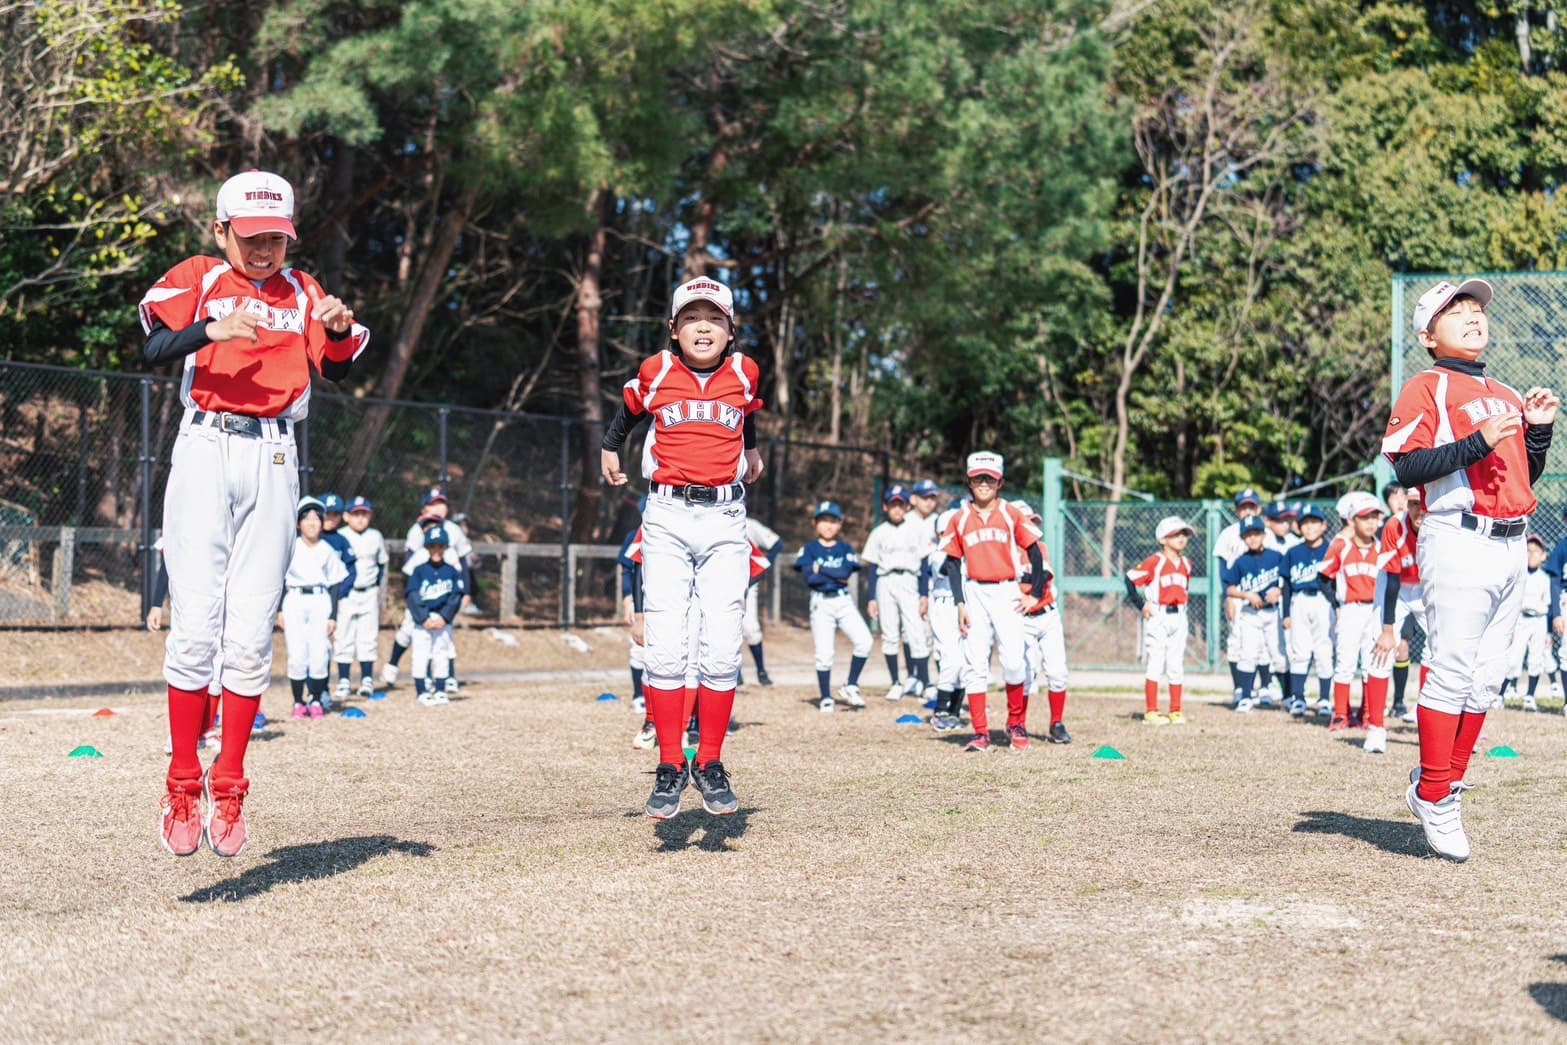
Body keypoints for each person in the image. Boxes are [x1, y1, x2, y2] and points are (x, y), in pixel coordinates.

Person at [139, 168, 367, 858]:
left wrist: (337, 326)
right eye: (252, 237)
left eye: (276, 238)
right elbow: (149, 347)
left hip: (273, 455)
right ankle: (183, 777)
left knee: (248, 632)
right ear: (221, 230)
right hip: (207, 444)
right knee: (195, 625)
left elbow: (340, 368)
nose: (265, 250)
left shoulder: (303, 291)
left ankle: (230, 779)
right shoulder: (201, 275)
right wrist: (210, 328)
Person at [1382, 277, 1557, 861]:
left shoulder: (1504, 389)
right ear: (1430, 335)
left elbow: (1524, 476)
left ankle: (1443, 785)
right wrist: (1478, 440)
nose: (1473, 317)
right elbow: (1407, 468)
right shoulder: (1426, 385)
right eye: (1456, 312)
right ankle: (1436, 793)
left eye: (1476, 309)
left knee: (1488, 679)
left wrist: (1540, 433)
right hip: (1458, 536)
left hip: (1511, 542)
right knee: (1452, 670)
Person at [600, 275, 763, 820]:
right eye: (692, 317)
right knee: (666, 645)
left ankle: (710, 762)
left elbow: (748, 413)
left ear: (731, 331)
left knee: (721, 645)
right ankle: (670, 766)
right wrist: (609, 448)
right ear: (673, 329)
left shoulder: (745, 371)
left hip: (726, 517)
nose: (703, 327)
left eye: (715, 318)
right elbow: (629, 407)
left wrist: (754, 451)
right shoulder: (656, 371)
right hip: (667, 513)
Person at [940, 452, 1045, 752]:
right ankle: (981, 733)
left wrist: (1034, 593)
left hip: (1006, 591)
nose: (983, 483)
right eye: (977, 478)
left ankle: (1015, 724)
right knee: (974, 664)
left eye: (989, 478)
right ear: (969, 482)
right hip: (974, 592)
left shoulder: (1011, 514)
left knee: (1014, 663)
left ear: (999, 482)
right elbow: (951, 563)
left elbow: (1035, 552)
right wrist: (960, 603)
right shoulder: (959, 518)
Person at [1317, 492, 1392, 750]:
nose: (1371, 523)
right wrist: (1335, 604)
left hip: (1375, 610)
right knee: (1346, 661)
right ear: (1352, 520)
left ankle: (1369, 714)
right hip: (1350, 608)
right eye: (1364, 518)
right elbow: (1323, 577)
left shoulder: (1382, 547)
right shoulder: (1341, 546)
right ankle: (1340, 714)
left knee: (1373, 663)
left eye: (1374, 517)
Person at [384, 488, 473, 691]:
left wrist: (466, 591)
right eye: (433, 504)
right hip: (420, 596)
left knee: (445, 636)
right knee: (408, 632)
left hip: (442, 597)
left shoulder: (452, 530)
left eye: (442, 503)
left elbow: (463, 563)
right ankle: (393, 665)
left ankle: (447, 676)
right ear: (424, 508)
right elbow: (410, 569)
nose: (439, 508)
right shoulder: (416, 531)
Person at [794, 501, 873, 713]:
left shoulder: (845, 548)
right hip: (821, 602)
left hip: (843, 600)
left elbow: (845, 574)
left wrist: (823, 569)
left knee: (864, 641)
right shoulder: (809, 549)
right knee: (824, 653)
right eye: (823, 521)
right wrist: (831, 574)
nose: (828, 526)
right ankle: (826, 697)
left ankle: (851, 685)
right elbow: (811, 578)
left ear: (840, 524)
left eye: (833, 521)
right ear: (814, 523)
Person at [148, 537, 221, 756]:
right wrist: (156, 604)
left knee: (218, 665)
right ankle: (182, 733)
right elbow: (168, 566)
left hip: (221, 597)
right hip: (190, 601)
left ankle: (207, 730)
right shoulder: (183, 517)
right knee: (187, 659)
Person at [279, 497, 348, 719]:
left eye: (317, 518)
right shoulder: (290, 548)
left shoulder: (327, 549)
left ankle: (316, 698)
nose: (312, 523)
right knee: (297, 653)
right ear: (298, 524)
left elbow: (336, 581)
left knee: (319, 653)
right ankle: (299, 701)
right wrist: (279, 609)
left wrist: (333, 616)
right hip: (295, 598)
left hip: (320, 598)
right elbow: (279, 578)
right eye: (306, 518)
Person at [862, 484, 932, 702]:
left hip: (910, 580)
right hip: (886, 581)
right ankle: (895, 682)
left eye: (900, 504)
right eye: (893, 504)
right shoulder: (878, 533)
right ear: (885, 506)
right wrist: (872, 597)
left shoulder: (916, 530)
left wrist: (923, 595)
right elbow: (872, 567)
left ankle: (926, 682)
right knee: (890, 633)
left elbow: (924, 563)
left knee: (916, 632)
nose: (897, 509)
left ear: (906, 506)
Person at [1125, 515, 1194, 725]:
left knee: (1175, 664)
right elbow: (1130, 579)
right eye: (1175, 535)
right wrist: (1141, 604)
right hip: (1158, 614)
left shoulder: (1187, 564)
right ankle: (1152, 711)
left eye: (1184, 534)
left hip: (1179, 615)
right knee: (1156, 661)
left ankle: (1175, 710)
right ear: (1163, 539)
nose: (1181, 538)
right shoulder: (1156, 561)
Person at [1013, 500, 1071, 743]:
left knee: (1058, 672)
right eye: (1027, 523)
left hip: (1047, 614)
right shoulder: (1005, 552)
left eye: (1034, 523)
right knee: (1025, 673)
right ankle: (1019, 725)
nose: (1032, 528)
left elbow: (1042, 574)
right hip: (1020, 619)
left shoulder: (1040, 547)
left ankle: (1056, 723)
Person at [1221, 516, 1287, 713]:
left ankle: (1290, 696)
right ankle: (1246, 697)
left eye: (1256, 534)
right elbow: (1229, 589)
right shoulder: (1241, 561)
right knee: (1248, 654)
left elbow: (1288, 581)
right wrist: (1246, 594)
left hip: (1272, 612)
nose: (1252, 538)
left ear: (1264, 535)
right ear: (1243, 538)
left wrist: (1280, 591)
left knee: (1279, 654)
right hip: (1250, 613)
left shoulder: (1276, 556)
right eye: (1248, 535)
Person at [1280, 505, 1335, 718]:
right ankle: (1299, 699)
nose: (1310, 527)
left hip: (1323, 602)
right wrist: (1285, 614)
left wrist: (1336, 607)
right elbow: (1285, 586)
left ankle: (1324, 699)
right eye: (1305, 523)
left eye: (1314, 522)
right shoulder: (1293, 552)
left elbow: (1336, 583)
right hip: (1299, 602)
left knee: (1323, 650)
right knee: (1299, 651)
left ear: (1324, 525)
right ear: (1298, 527)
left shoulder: (1331, 549)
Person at [1379, 488, 1428, 722]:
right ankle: (1375, 724)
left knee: (1439, 650)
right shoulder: (1395, 526)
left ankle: (1427, 709)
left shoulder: (1439, 524)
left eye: (1423, 503)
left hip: (1427, 588)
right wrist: (1387, 629)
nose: (1418, 510)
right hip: (1397, 589)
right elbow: (1392, 581)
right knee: (1381, 647)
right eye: (1413, 504)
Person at [1213, 489, 1265, 702]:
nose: (1247, 510)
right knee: (1237, 641)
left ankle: (1265, 688)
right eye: (1243, 507)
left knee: (1264, 643)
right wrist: (1228, 595)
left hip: (1262, 593)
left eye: (1251, 506)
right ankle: (1240, 688)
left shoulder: (1264, 531)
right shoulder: (1228, 533)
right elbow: (1223, 569)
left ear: (1258, 508)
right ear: (1237, 510)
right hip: (1238, 593)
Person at [406, 522, 464, 707]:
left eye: (441, 546)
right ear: (427, 548)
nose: (437, 550)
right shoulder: (419, 571)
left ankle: (440, 689)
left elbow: (455, 597)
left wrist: (445, 618)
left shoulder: (452, 571)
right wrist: (423, 618)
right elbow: (412, 595)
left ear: (446, 548)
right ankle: (421, 690)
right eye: (433, 546)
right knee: (421, 655)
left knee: (441, 653)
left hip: (442, 620)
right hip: (423, 620)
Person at [335, 495, 387, 698]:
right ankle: (344, 680)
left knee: (368, 637)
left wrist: (378, 590)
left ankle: (367, 679)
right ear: (347, 516)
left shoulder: (375, 536)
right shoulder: (341, 535)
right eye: (356, 514)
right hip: (347, 593)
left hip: (368, 591)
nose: (360, 518)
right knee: (343, 637)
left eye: (364, 514)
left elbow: (382, 564)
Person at [925, 500, 968, 733]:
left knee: (966, 661)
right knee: (952, 658)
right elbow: (946, 569)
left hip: (965, 606)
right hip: (943, 605)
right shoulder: (938, 552)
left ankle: (954, 711)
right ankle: (940, 711)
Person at [1501, 534, 1555, 711]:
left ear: (1543, 556)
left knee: (1536, 658)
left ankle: (1530, 696)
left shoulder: (1545, 578)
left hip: (1538, 621)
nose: (1532, 555)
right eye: (1528, 551)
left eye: (1536, 551)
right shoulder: (1518, 576)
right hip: (1520, 619)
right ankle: (1500, 695)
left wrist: (1548, 633)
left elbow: (1548, 607)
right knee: (1513, 658)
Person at [743, 513, 783, 686]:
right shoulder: (710, 521)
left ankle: (761, 671)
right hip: (718, 583)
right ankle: (735, 674)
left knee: (751, 629)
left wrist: (762, 567)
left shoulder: (749, 524)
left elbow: (777, 543)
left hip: (747, 583)